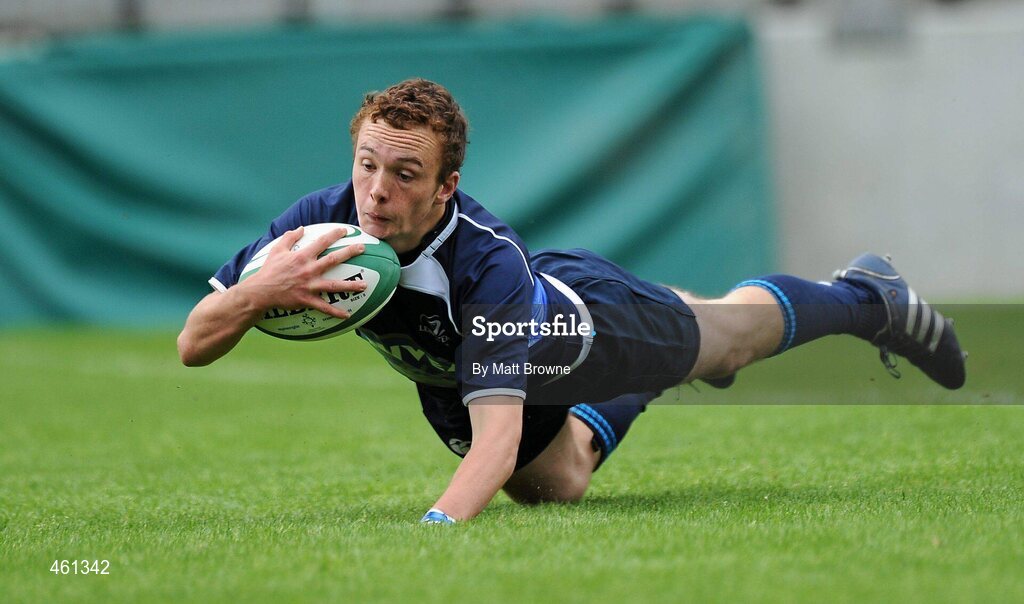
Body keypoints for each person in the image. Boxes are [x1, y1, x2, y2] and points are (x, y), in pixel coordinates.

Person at [177, 78, 966, 524]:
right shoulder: (318, 224)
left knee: (732, 340)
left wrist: (435, 530)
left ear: (447, 186)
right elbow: (194, 342)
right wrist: (263, 289)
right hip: (450, 374)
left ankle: (866, 295)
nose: (377, 192)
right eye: (367, 165)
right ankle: (667, 346)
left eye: (405, 174)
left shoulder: (483, 269)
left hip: (594, 327)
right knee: (555, 488)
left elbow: (491, 445)